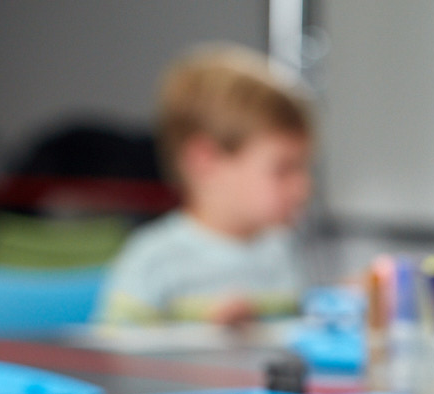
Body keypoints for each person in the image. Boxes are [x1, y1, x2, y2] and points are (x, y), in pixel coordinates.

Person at [95, 45, 313, 325]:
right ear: (205, 162)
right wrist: (206, 337)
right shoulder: (151, 261)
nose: (303, 187)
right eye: (283, 169)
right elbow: (115, 361)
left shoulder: (281, 251)